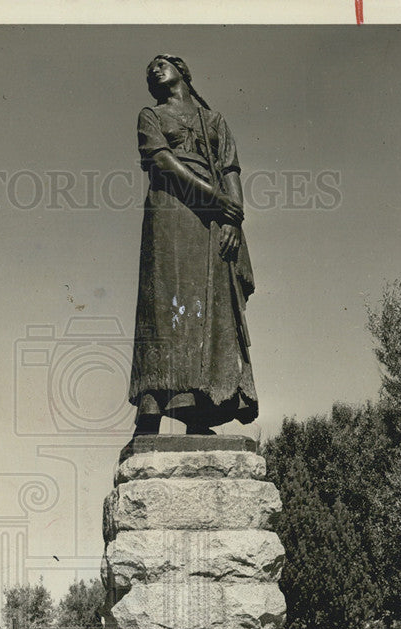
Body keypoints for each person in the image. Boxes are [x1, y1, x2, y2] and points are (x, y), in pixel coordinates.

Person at [131, 54, 258, 435]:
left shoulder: (215, 120)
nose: (155, 67)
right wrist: (216, 201)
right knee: (164, 305)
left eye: (162, 62)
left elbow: (231, 169)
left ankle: (200, 411)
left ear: (183, 72)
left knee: (211, 307)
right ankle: (152, 408)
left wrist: (233, 218)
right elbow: (163, 161)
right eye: (150, 67)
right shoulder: (149, 116)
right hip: (171, 210)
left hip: (212, 220)